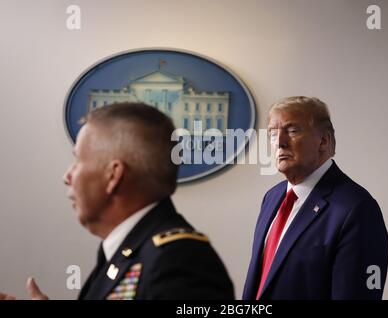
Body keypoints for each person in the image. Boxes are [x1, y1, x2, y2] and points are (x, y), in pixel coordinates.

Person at [0, 102, 234, 300]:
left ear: (113, 175)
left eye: (78, 161)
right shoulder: (128, 250)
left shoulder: (180, 263)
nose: (67, 176)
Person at [242, 96, 388, 300]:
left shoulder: (357, 209)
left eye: (292, 130)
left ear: (324, 140)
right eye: (273, 134)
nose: (280, 143)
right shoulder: (272, 197)